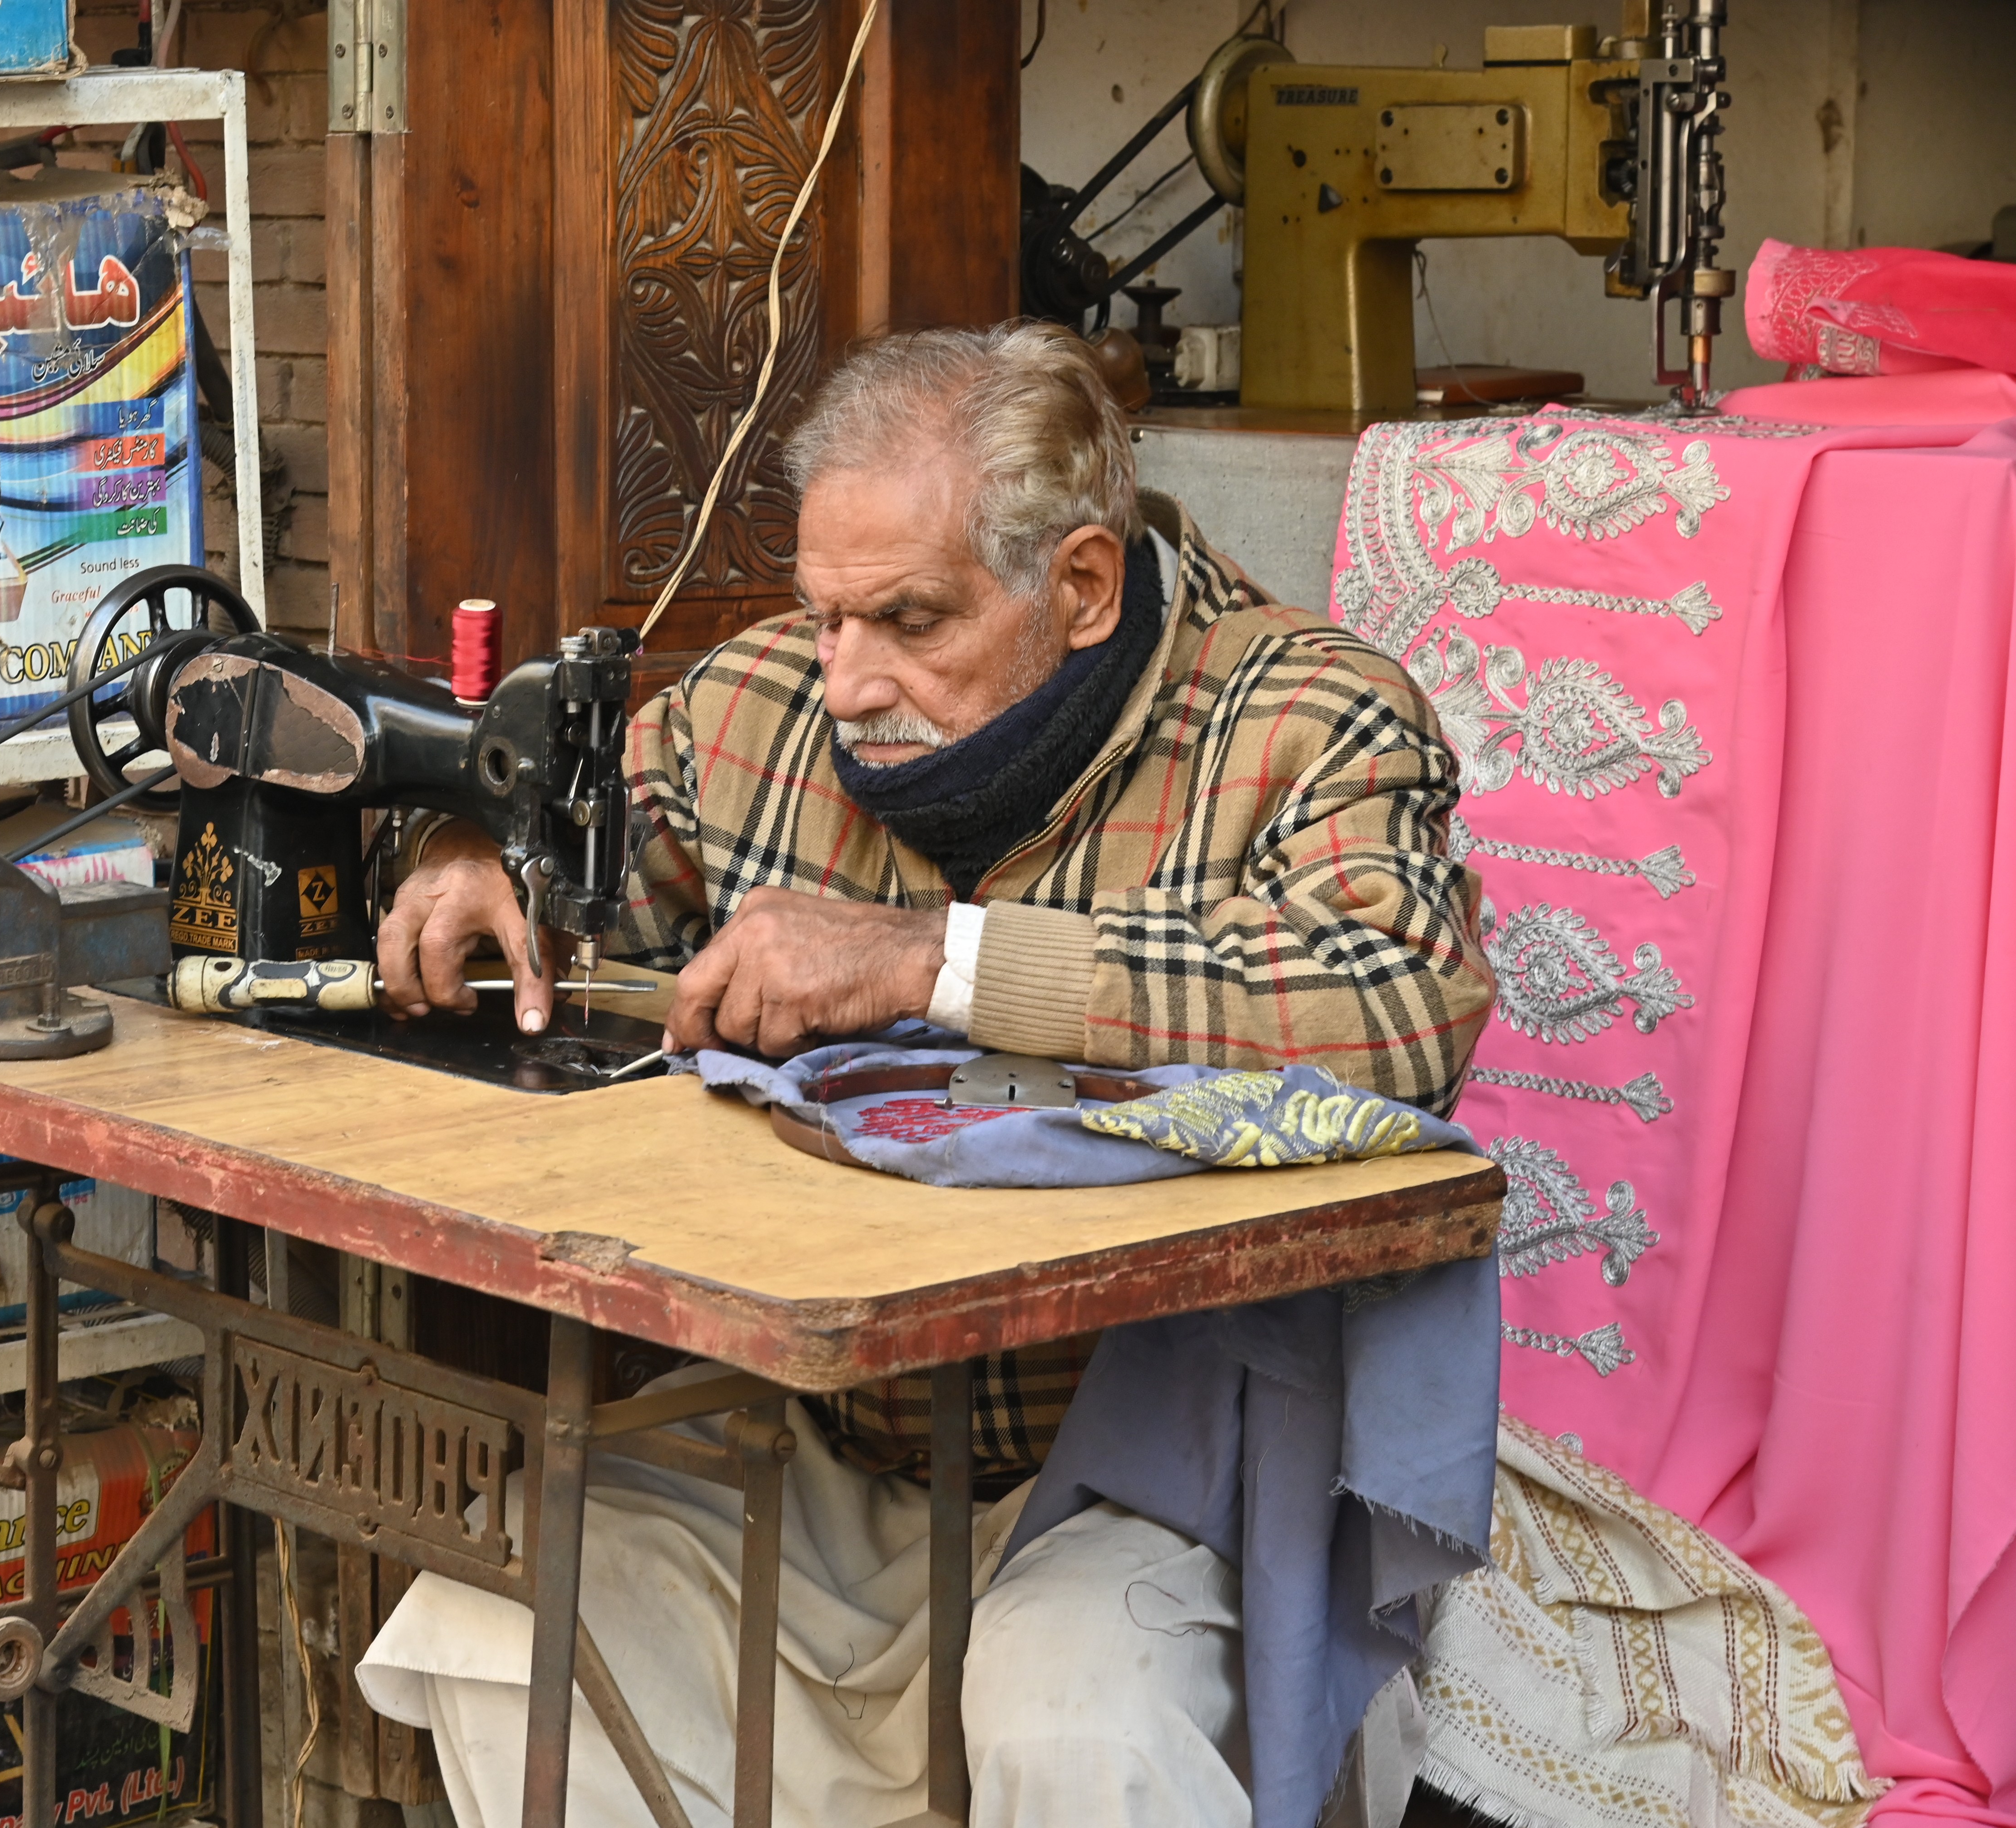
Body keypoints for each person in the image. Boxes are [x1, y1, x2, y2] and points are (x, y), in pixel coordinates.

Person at [353, 321, 1495, 1828]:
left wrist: (934, 961)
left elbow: (1400, 1001)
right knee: (509, 1602)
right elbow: (576, 862)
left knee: (1068, 1711)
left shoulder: (1303, 721)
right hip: (839, 1429)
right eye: (826, 617)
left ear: (1079, 586)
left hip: (1157, 1452)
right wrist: (465, 862)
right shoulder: (757, 705)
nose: (846, 681)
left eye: (906, 620)